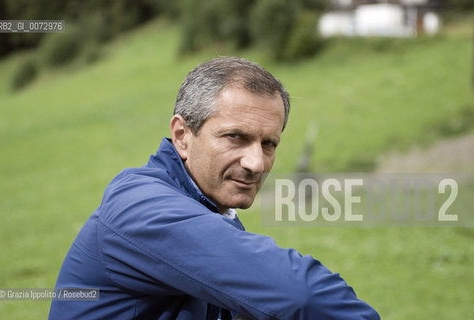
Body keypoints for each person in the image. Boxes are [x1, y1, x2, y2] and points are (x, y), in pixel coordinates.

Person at [49, 56, 380, 319]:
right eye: (235, 137)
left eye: (269, 143)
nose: (257, 163)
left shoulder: (212, 205)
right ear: (182, 135)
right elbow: (298, 294)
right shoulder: (142, 208)